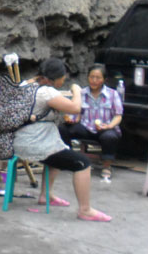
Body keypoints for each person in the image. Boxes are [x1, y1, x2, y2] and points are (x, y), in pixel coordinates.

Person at [13, 58, 111, 221]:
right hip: (35, 144)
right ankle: (85, 210)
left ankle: (46, 195)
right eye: (63, 77)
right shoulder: (46, 92)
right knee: (83, 163)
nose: (64, 80)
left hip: (19, 141)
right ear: (55, 77)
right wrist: (77, 90)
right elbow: (75, 108)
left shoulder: (25, 85)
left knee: (59, 152)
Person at [58, 64, 123, 183]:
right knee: (63, 128)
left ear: (104, 79)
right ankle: (69, 159)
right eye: (91, 77)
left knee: (110, 136)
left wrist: (109, 126)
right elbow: (77, 112)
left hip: (105, 128)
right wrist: (72, 119)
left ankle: (106, 166)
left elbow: (118, 116)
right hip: (86, 127)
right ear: (88, 77)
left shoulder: (112, 94)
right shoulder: (82, 93)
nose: (94, 80)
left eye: (98, 78)